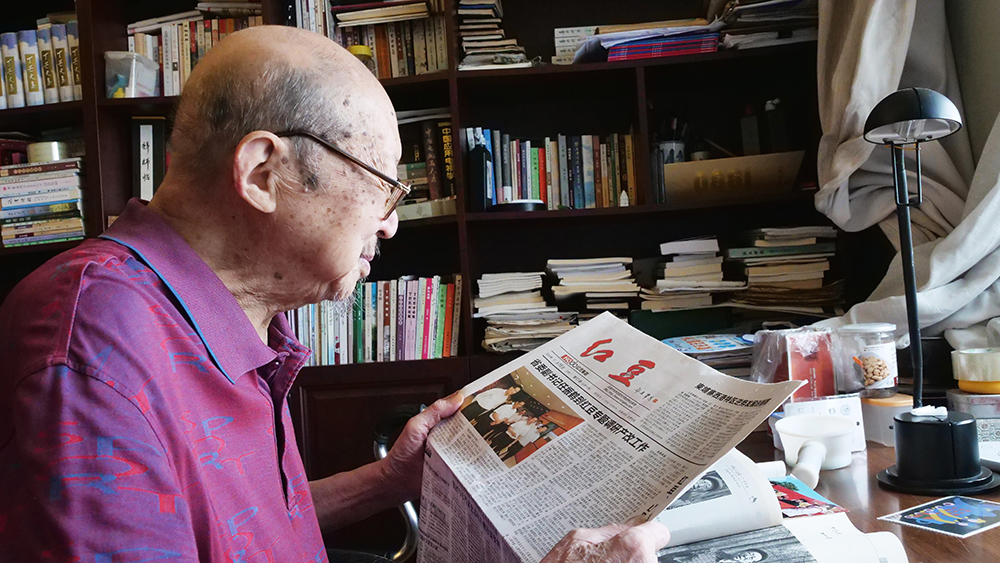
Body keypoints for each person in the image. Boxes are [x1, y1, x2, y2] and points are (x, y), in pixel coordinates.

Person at [0, 26, 669, 563]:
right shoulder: (95, 344)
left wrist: (388, 481)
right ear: (263, 173)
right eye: (383, 185)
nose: (391, 223)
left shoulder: (238, 317)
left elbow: (237, 530)